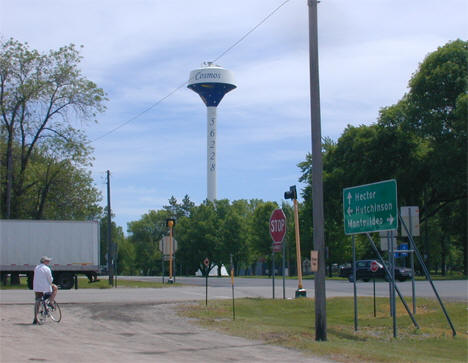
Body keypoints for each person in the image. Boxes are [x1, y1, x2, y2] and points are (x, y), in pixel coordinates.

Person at [32, 256, 58, 324]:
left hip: (37, 288)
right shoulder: (47, 268)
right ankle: (51, 302)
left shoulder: (36, 267)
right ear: (45, 262)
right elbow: (50, 279)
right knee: (55, 288)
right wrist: (51, 283)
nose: (49, 262)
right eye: (48, 261)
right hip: (45, 288)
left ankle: (35, 318)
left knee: (37, 300)